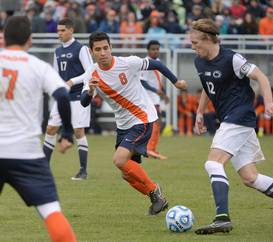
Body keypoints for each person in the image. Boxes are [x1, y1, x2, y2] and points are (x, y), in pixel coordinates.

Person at [189, 18, 273, 234]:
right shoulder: (199, 61)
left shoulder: (232, 59)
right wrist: (200, 111)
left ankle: (221, 218)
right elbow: (207, 86)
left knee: (213, 164)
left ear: (208, 39)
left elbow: (261, 77)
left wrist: (268, 103)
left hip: (238, 117)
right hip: (233, 121)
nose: (192, 46)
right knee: (250, 178)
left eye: (195, 42)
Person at [80, 31, 186, 215]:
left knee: (119, 160)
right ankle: (158, 200)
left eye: (106, 48)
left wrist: (176, 82)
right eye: (98, 49)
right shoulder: (91, 73)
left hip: (141, 118)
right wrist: (90, 91)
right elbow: (83, 102)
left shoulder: (127, 63)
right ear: (91, 52)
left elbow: (158, 64)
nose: (103, 53)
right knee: (126, 173)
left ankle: (155, 192)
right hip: (123, 125)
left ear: (111, 47)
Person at [0, 15, 76, 241]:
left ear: (3, 38)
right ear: (30, 39)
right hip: (28, 154)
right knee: (52, 212)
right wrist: (67, 133)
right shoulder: (38, 66)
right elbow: (62, 94)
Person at [43, 18, 93, 180]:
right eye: (58, 31)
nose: (60, 34)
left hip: (79, 96)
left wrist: (72, 81)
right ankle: (43, 170)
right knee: (50, 129)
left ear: (71, 31)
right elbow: (56, 75)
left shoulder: (81, 48)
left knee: (78, 131)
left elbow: (89, 72)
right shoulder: (57, 51)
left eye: (63, 30)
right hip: (63, 98)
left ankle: (83, 171)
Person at [139, 40, 170, 159]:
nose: (155, 51)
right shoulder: (146, 63)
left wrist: (165, 94)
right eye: (153, 49)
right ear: (148, 50)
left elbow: (158, 82)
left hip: (156, 97)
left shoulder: (158, 62)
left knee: (158, 121)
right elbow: (142, 81)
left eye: (157, 49)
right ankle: (150, 149)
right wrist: (156, 91)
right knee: (156, 121)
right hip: (149, 97)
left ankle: (153, 149)